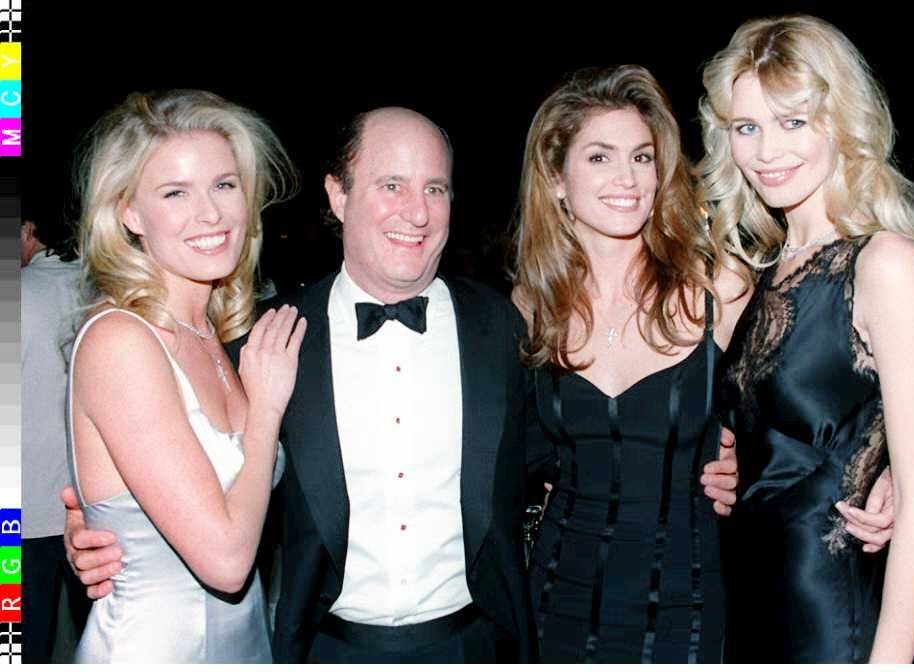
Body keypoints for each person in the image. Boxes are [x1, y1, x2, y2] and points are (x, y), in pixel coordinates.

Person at [67, 106, 538, 664]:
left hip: (476, 644)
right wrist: (104, 524)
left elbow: (561, 462)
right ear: (337, 196)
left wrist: (106, 523)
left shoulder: (500, 327)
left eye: (434, 189)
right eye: (391, 185)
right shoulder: (271, 340)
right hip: (314, 648)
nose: (417, 212)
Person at [512, 64, 893, 663]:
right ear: (556, 178)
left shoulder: (719, 287)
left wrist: (883, 470)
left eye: (642, 158)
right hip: (556, 599)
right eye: (600, 157)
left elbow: (837, 379)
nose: (627, 178)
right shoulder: (530, 306)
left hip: (688, 604)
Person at [700, 15, 914, 663]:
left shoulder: (883, 264)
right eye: (746, 128)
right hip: (742, 612)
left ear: (840, 121)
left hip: (828, 621)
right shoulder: (761, 273)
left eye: (793, 121)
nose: (766, 151)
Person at [65, 89, 304, 663]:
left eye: (224, 184)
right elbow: (226, 561)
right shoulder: (121, 341)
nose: (211, 213)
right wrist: (266, 410)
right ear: (129, 212)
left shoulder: (219, 336)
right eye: (175, 192)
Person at [21, 208, 90, 662]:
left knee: (18, 632)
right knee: (100, 631)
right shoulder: (97, 285)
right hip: (93, 499)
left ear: (28, 229)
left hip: (21, 509)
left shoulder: (19, 292)